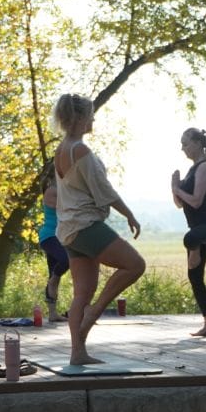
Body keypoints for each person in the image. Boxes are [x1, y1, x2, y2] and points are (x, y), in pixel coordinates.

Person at [51, 93, 145, 365]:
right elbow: (103, 190)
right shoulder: (79, 150)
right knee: (135, 264)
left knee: (83, 292)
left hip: (68, 231)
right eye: (90, 114)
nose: (94, 118)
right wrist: (129, 214)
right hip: (85, 226)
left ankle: (77, 352)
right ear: (79, 118)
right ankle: (95, 312)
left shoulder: (62, 148)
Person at [171, 127, 206, 337]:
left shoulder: (205, 168)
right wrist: (173, 187)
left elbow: (196, 201)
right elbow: (179, 204)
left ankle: (194, 249)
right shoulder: (192, 170)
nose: (182, 148)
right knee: (194, 276)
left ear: (196, 143)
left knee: (190, 238)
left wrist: (177, 189)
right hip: (197, 228)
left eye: (185, 143)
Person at [37, 163, 69, 323]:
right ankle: (54, 279)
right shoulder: (52, 191)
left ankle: (52, 314)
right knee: (66, 260)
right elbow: (67, 207)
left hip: (60, 237)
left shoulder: (62, 190)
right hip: (49, 236)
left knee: (53, 272)